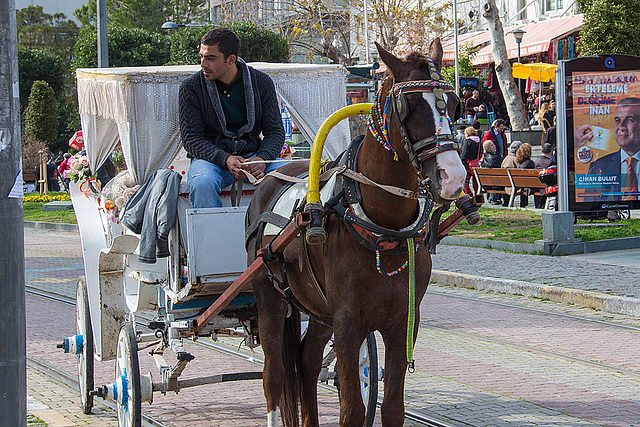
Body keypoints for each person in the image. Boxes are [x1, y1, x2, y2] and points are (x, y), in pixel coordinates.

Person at [179, 27, 285, 208]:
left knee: (298, 176)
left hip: (254, 157)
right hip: (211, 160)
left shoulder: (261, 82)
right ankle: (212, 236)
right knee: (203, 183)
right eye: (202, 57)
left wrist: (262, 159)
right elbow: (191, 139)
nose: (203, 64)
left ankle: (277, 234)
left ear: (231, 60)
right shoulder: (191, 87)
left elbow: (275, 131)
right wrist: (225, 159)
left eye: (211, 58)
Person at [587, 97, 640, 200]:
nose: (621, 126)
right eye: (617, 120)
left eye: (629, 120)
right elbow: (591, 207)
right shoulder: (598, 166)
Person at [460, 127, 482, 196]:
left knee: (465, 182)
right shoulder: (478, 141)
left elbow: (464, 154)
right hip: (476, 163)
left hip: (468, 164)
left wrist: (462, 162)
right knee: (475, 182)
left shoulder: (468, 142)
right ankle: (477, 194)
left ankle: (469, 194)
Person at [534, 143, 554, 208]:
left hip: (536, 187)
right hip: (546, 188)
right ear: (551, 152)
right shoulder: (551, 163)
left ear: (541, 151)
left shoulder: (536, 162)